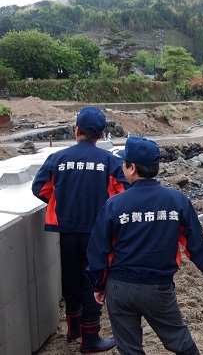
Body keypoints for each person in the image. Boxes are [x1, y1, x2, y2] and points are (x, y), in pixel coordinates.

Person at [86, 136, 203, 355]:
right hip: (159, 287)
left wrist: (98, 283)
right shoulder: (177, 200)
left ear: (132, 168)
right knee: (179, 340)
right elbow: (193, 240)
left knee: (129, 348)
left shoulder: (114, 204)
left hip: (120, 287)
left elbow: (99, 250)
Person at [32, 106, 128, 352]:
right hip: (97, 231)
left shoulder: (57, 158)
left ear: (76, 130)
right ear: (101, 134)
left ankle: (73, 326)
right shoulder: (110, 161)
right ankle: (90, 336)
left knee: (71, 275)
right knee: (93, 278)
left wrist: (60, 203)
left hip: (66, 229)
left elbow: (40, 188)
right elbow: (123, 193)